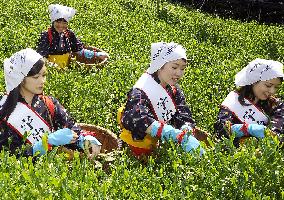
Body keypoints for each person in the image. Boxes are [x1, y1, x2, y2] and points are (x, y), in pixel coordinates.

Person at [0, 48, 101, 158]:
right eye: (36, 77)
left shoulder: (48, 103)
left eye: (44, 75)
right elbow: (10, 156)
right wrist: (45, 143)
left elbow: (69, 126)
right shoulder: (5, 113)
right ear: (20, 78)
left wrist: (83, 139)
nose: (42, 81)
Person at [117, 42, 205, 158]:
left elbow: (182, 111)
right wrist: (169, 132)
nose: (179, 73)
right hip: (137, 145)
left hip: (160, 144)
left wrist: (186, 127)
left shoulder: (173, 89)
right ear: (160, 65)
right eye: (174, 67)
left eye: (182, 69)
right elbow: (136, 117)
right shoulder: (141, 90)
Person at [214, 58, 284, 147]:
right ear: (254, 81)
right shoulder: (233, 100)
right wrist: (247, 129)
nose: (272, 91)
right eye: (268, 85)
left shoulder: (276, 105)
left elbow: (277, 132)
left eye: (276, 87)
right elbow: (222, 129)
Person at [36, 4, 109, 69]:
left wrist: (96, 55)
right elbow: (41, 56)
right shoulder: (46, 35)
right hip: (52, 68)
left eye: (64, 23)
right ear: (53, 21)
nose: (61, 25)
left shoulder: (69, 34)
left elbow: (78, 49)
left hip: (67, 66)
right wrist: (51, 65)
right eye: (58, 22)